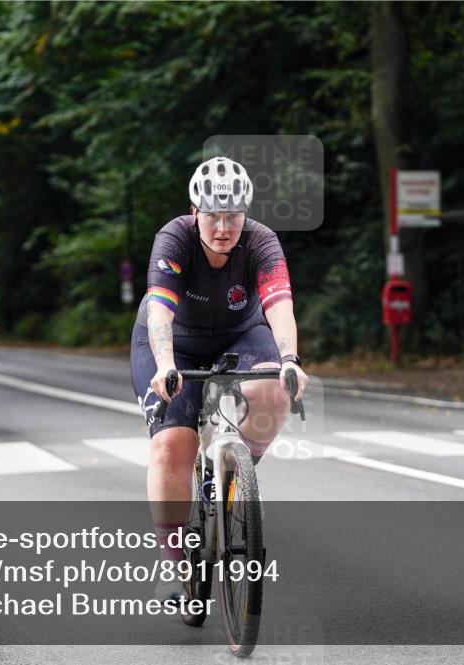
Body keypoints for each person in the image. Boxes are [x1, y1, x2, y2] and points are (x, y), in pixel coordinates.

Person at [130, 156, 309, 604]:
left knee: (273, 386)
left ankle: (234, 472)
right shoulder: (174, 239)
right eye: (212, 214)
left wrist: (289, 357)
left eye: (233, 215)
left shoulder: (262, 242)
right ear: (195, 210)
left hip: (240, 335)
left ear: (246, 213)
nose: (223, 226)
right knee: (172, 444)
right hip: (177, 341)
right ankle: (173, 563)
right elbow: (160, 312)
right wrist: (166, 363)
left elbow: (279, 305)